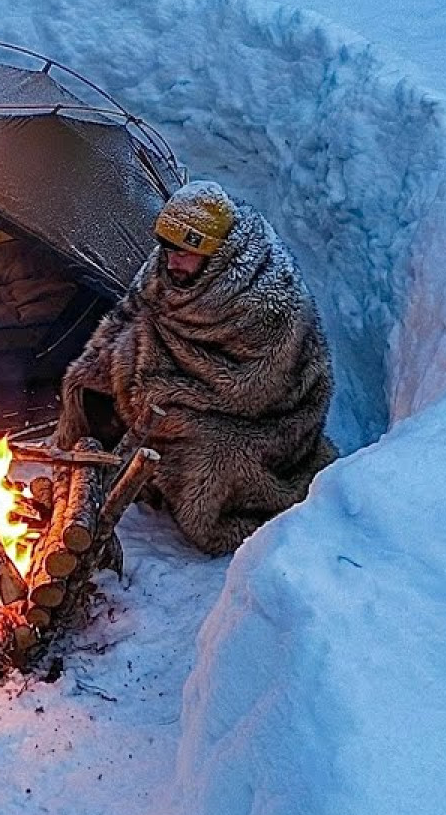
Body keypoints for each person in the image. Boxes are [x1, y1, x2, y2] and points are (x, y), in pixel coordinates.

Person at [54, 181, 338, 554]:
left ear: (215, 252)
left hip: (269, 417)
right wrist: (101, 360)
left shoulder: (269, 299)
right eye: (168, 250)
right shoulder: (167, 264)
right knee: (89, 383)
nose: (172, 262)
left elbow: (254, 389)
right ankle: (88, 477)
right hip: (176, 371)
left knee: (210, 460)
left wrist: (170, 394)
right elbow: (129, 311)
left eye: (184, 253)